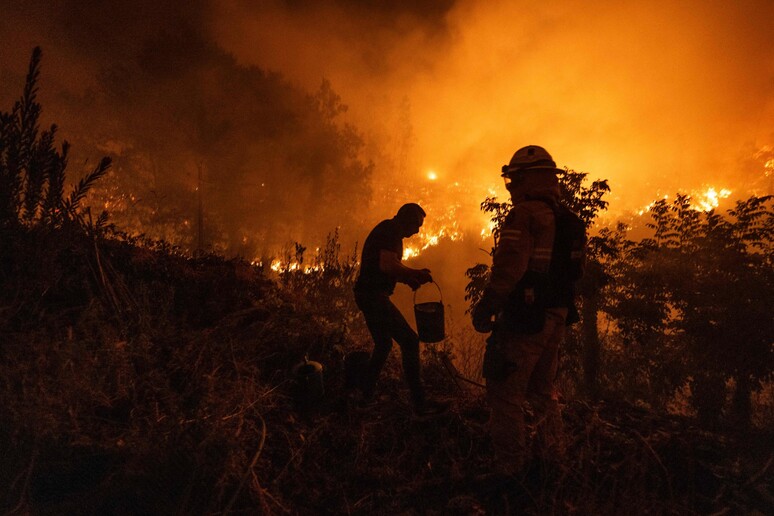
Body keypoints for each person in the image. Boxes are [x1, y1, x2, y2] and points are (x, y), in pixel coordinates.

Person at [471, 145, 586, 475]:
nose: (511, 188)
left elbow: (509, 268)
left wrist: (487, 306)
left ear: (528, 179)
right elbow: (576, 274)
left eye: (514, 180)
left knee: (505, 393)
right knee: (542, 390)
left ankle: (509, 471)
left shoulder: (525, 216)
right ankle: (554, 459)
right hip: (557, 316)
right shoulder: (570, 221)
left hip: (525, 319)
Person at [354, 203, 448, 416]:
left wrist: (409, 278)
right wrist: (413, 273)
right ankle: (420, 403)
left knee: (384, 344)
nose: (417, 231)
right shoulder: (390, 232)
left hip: (367, 294)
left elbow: (387, 265)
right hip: (373, 296)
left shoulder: (389, 231)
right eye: (417, 225)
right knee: (410, 341)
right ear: (406, 219)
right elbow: (387, 265)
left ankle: (364, 396)